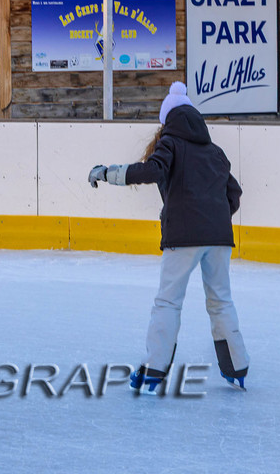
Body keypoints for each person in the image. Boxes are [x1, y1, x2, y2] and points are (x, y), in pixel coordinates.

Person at [88, 81, 250, 392]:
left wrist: (108, 173)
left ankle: (154, 369)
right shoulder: (215, 152)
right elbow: (234, 193)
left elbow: (152, 171)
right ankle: (237, 367)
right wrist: (214, 219)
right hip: (219, 238)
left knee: (168, 302)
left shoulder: (171, 142)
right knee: (221, 301)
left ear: (168, 120)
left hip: (184, 236)